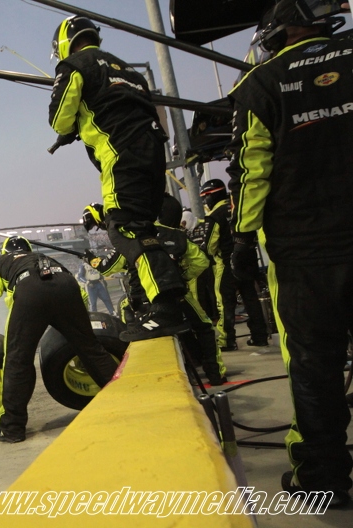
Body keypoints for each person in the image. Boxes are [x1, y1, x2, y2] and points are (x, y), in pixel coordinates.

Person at [226, 0, 352, 507]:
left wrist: (241, 239)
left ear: (276, 32)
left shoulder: (258, 84)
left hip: (304, 258)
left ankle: (323, 482)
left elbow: (251, 173)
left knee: (315, 371)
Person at [48, 15, 187, 341]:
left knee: (125, 227)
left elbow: (58, 119)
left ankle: (167, 309)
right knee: (141, 228)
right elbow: (122, 107)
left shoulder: (74, 66)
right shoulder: (130, 71)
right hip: (153, 155)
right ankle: (160, 304)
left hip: (121, 156)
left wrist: (72, 129)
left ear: (65, 43)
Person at [0, 236, 119, 443]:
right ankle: (123, 399)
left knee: (17, 362)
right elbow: (82, 294)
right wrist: (80, 323)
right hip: (66, 287)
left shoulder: (0, 262)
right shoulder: (43, 257)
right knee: (92, 350)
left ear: (3, 252)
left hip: (29, 294)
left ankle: (12, 428)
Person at [82, 198, 227, 385]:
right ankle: (216, 374)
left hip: (144, 301)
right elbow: (201, 261)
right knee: (204, 327)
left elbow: (107, 268)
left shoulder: (130, 237)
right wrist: (181, 277)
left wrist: (90, 259)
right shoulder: (175, 234)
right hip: (179, 294)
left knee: (136, 334)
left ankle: (156, 382)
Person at [198, 179, 270, 351]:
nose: (205, 202)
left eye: (205, 197)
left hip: (226, 263)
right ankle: (260, 337)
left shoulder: (214, 216)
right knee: (251, 299)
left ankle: (227, 340)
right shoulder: (238, 207)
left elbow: (209, 246)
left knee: (225, 302)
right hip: (248, 259)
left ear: (211, 195)